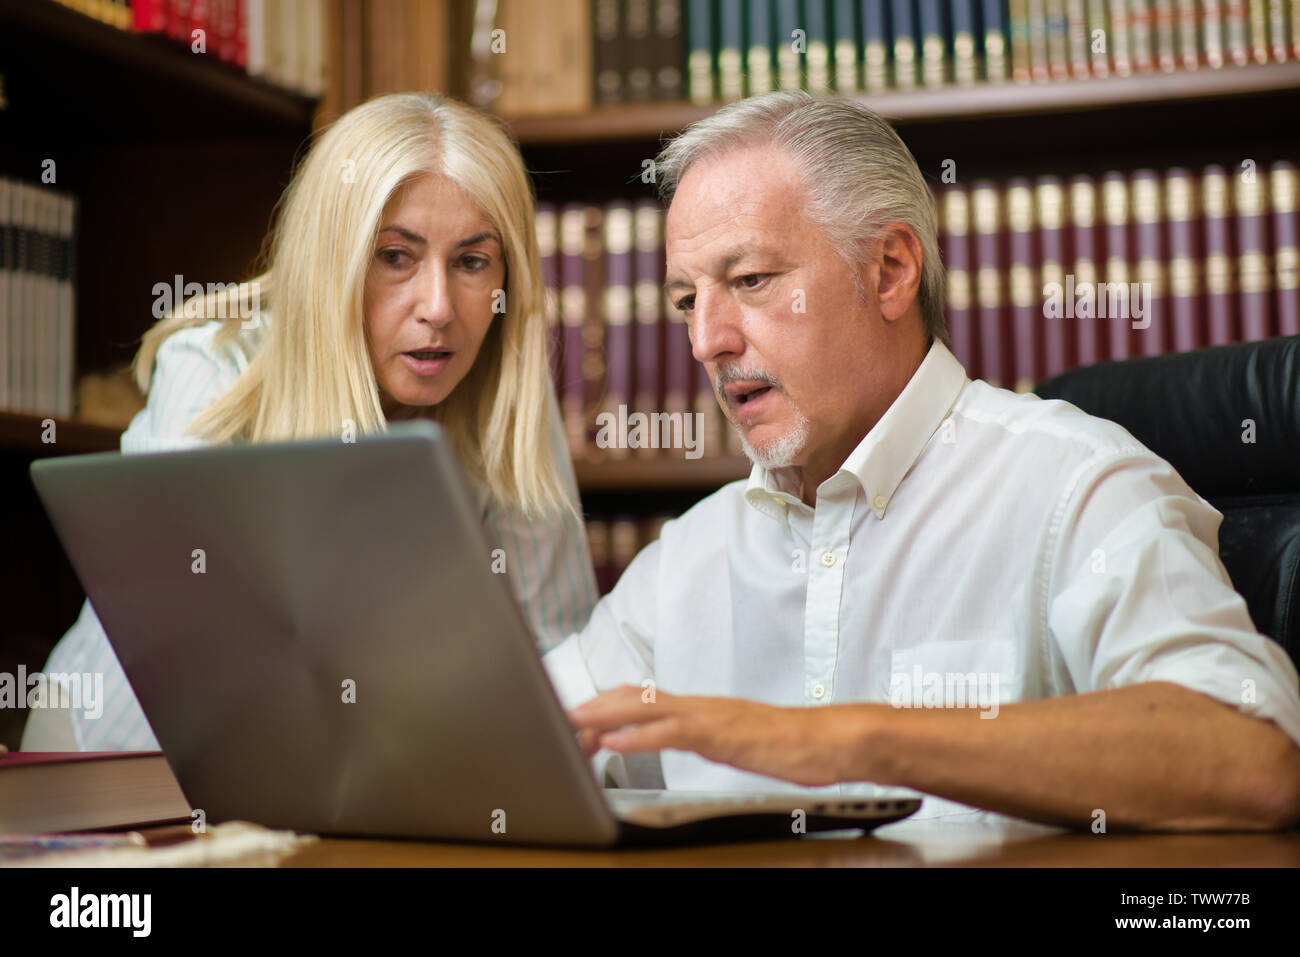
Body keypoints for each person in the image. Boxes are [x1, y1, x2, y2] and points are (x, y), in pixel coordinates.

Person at [550, 90, 1300, 830]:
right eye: (686, 300)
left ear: (889, 271)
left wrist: (855, 737)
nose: (706, 339)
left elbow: (1252, 758)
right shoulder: (686, 559)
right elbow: (513, 753)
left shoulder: (1072, 482)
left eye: (750, 281)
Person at [29, 92, 598, 751]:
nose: (438, 307)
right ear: (333, 260)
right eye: (395, 256)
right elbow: (185, 648)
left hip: (353, 767)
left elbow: (555, 660)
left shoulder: (510, 404)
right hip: (115, 760)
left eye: (472, 262)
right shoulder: (215, 370)